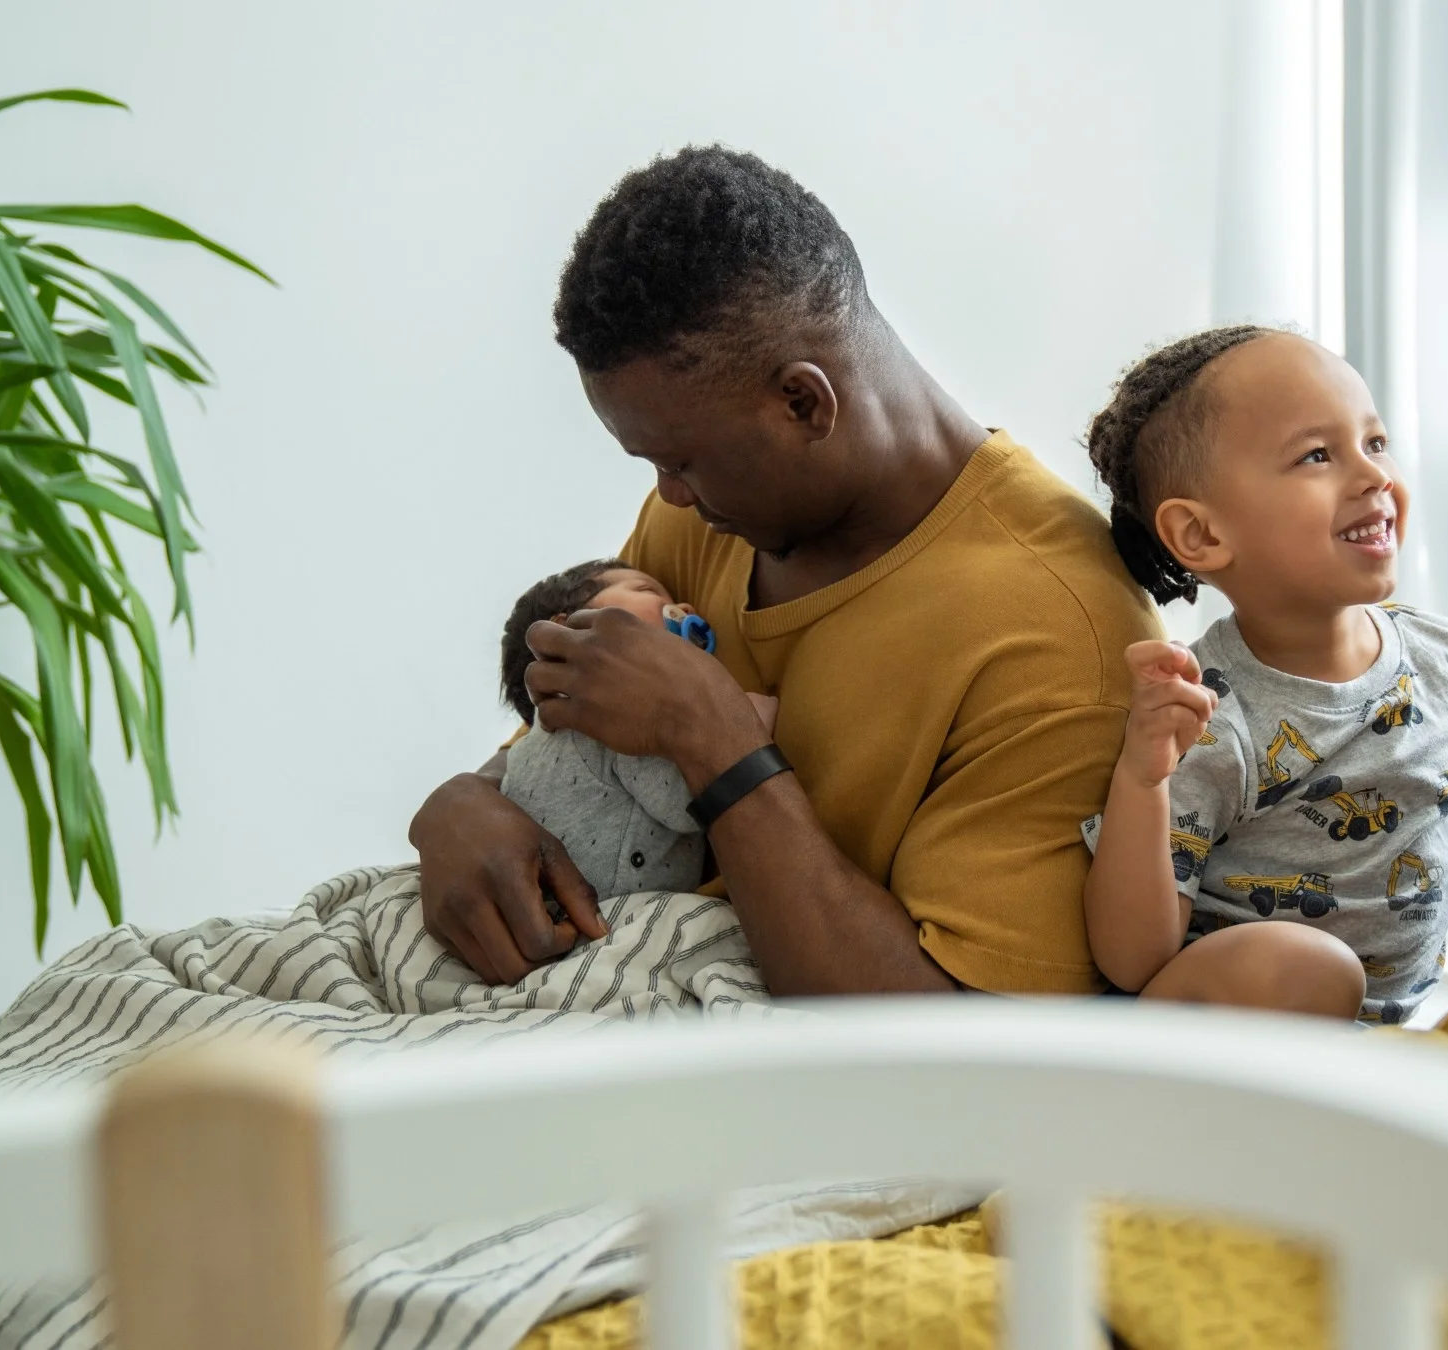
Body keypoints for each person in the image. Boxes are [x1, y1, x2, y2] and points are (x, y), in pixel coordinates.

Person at [409, 147, 1160, 996]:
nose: (668, 497)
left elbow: (954, 1043)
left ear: (804, 402)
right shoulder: (708, 518)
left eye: (684, 462)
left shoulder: (1062, 633)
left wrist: (717, 742)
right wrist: (459, 806)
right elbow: (569, 750)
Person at [1080, 326, 1448, 1023]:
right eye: (1318, 455)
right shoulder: (1209, 712)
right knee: (1309, 968)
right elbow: (1133, 959)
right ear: (1202, 535)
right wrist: (1143, 779)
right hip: (1216, 1041)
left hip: (1367, 1042)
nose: (1374, 476)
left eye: (1375, 442)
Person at [493, 559, 732, 906]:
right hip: (615, 920)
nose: (686, 610)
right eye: (647, 591)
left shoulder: (532, 748)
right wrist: (737, 721)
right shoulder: (612, 715)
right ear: (565, 636)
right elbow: (686, 806)